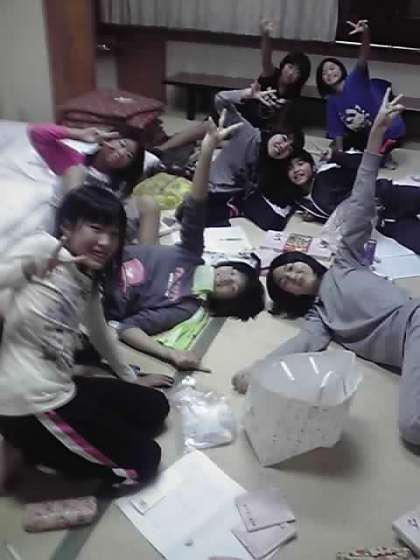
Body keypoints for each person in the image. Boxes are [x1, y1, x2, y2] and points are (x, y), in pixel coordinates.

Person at [232, 91, 420, 448]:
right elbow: (301, 344)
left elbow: (361, 202)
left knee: (413, 426)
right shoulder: (321, 319)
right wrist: (258, 370)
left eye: (290, 266)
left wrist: (375, 138)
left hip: (415, 322)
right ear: (292, 296)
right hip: (408, 355)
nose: (291, 274)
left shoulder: (345, 261)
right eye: (285, 282)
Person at [0, 186, 171, 487]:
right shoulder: (43, 247)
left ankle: (42, 440)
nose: (105, 242)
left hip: (61, 381)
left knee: (155, 406)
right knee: (146, 461)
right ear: (67, 226)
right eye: (96, 228)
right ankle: (29, 445)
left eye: (114, 234)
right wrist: (27, 270)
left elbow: (100, 331)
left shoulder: (87, 275)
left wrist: (129, 377)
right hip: (32, 399)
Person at [104, 112, 266, 370]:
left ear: (226, 301)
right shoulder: (192, 253)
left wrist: (170, 354)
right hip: (104, 254)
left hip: (101, 295)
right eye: (233, 272)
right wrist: (207, 150)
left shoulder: (186, 307)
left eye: (232, 287)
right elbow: (196, 205)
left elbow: (128, 328)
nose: (226, 277)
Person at [29, 123, 160, 243]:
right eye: (121, 144)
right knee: (76, 171)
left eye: (129, 156)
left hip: (109, 231)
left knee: (148, 203)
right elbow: (36, 132)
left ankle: (147, 257)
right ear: (108, 139)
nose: (121, 153)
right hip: (77, 225)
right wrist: (79, 134)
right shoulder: (74, 161)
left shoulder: (121, 183)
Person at [286, 148, 420, 255]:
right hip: (384, 221)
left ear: (312, 165)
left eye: (300, 164)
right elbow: (337, 216)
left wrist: (336, 156)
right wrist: (316, 217)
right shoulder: (301, 202)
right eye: (290, 169)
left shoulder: (326, 175)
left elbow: (364, 164)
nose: (296, 170)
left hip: (389, 196)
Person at [316, 20, 405, 158]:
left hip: (389, 130)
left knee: (370, 155)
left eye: (332, 68)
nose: (329, 73)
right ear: (322, 81)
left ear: (341, 69)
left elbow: (363, 55)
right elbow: (337, 132)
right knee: (338, 148)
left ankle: (384, 155)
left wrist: (365, 34)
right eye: (324, 73)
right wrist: (339, 156)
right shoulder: (332, 101)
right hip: (367, 135)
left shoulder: (355, 79)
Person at [238, 19, 311, 130]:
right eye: (290, 67)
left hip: (263, 129)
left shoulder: (294, 93)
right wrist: (265, 35)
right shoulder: (271, 73)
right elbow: (266, 58)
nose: (291, 73)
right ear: (283, 65)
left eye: (297, 72)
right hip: (245, 116)